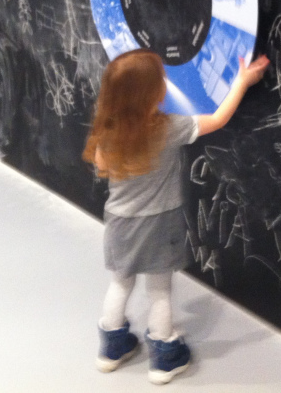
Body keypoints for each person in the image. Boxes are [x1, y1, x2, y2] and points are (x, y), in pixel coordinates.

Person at [83, 48, 269, 384]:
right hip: (158, 223)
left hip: (119, 221)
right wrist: (241, 82)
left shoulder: (108, 131)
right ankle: (164, 357)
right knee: (159, 290)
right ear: (153, 94)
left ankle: (111, 348)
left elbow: (101, 164)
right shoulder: (168, 129)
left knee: (121, 282)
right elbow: (218, 119)